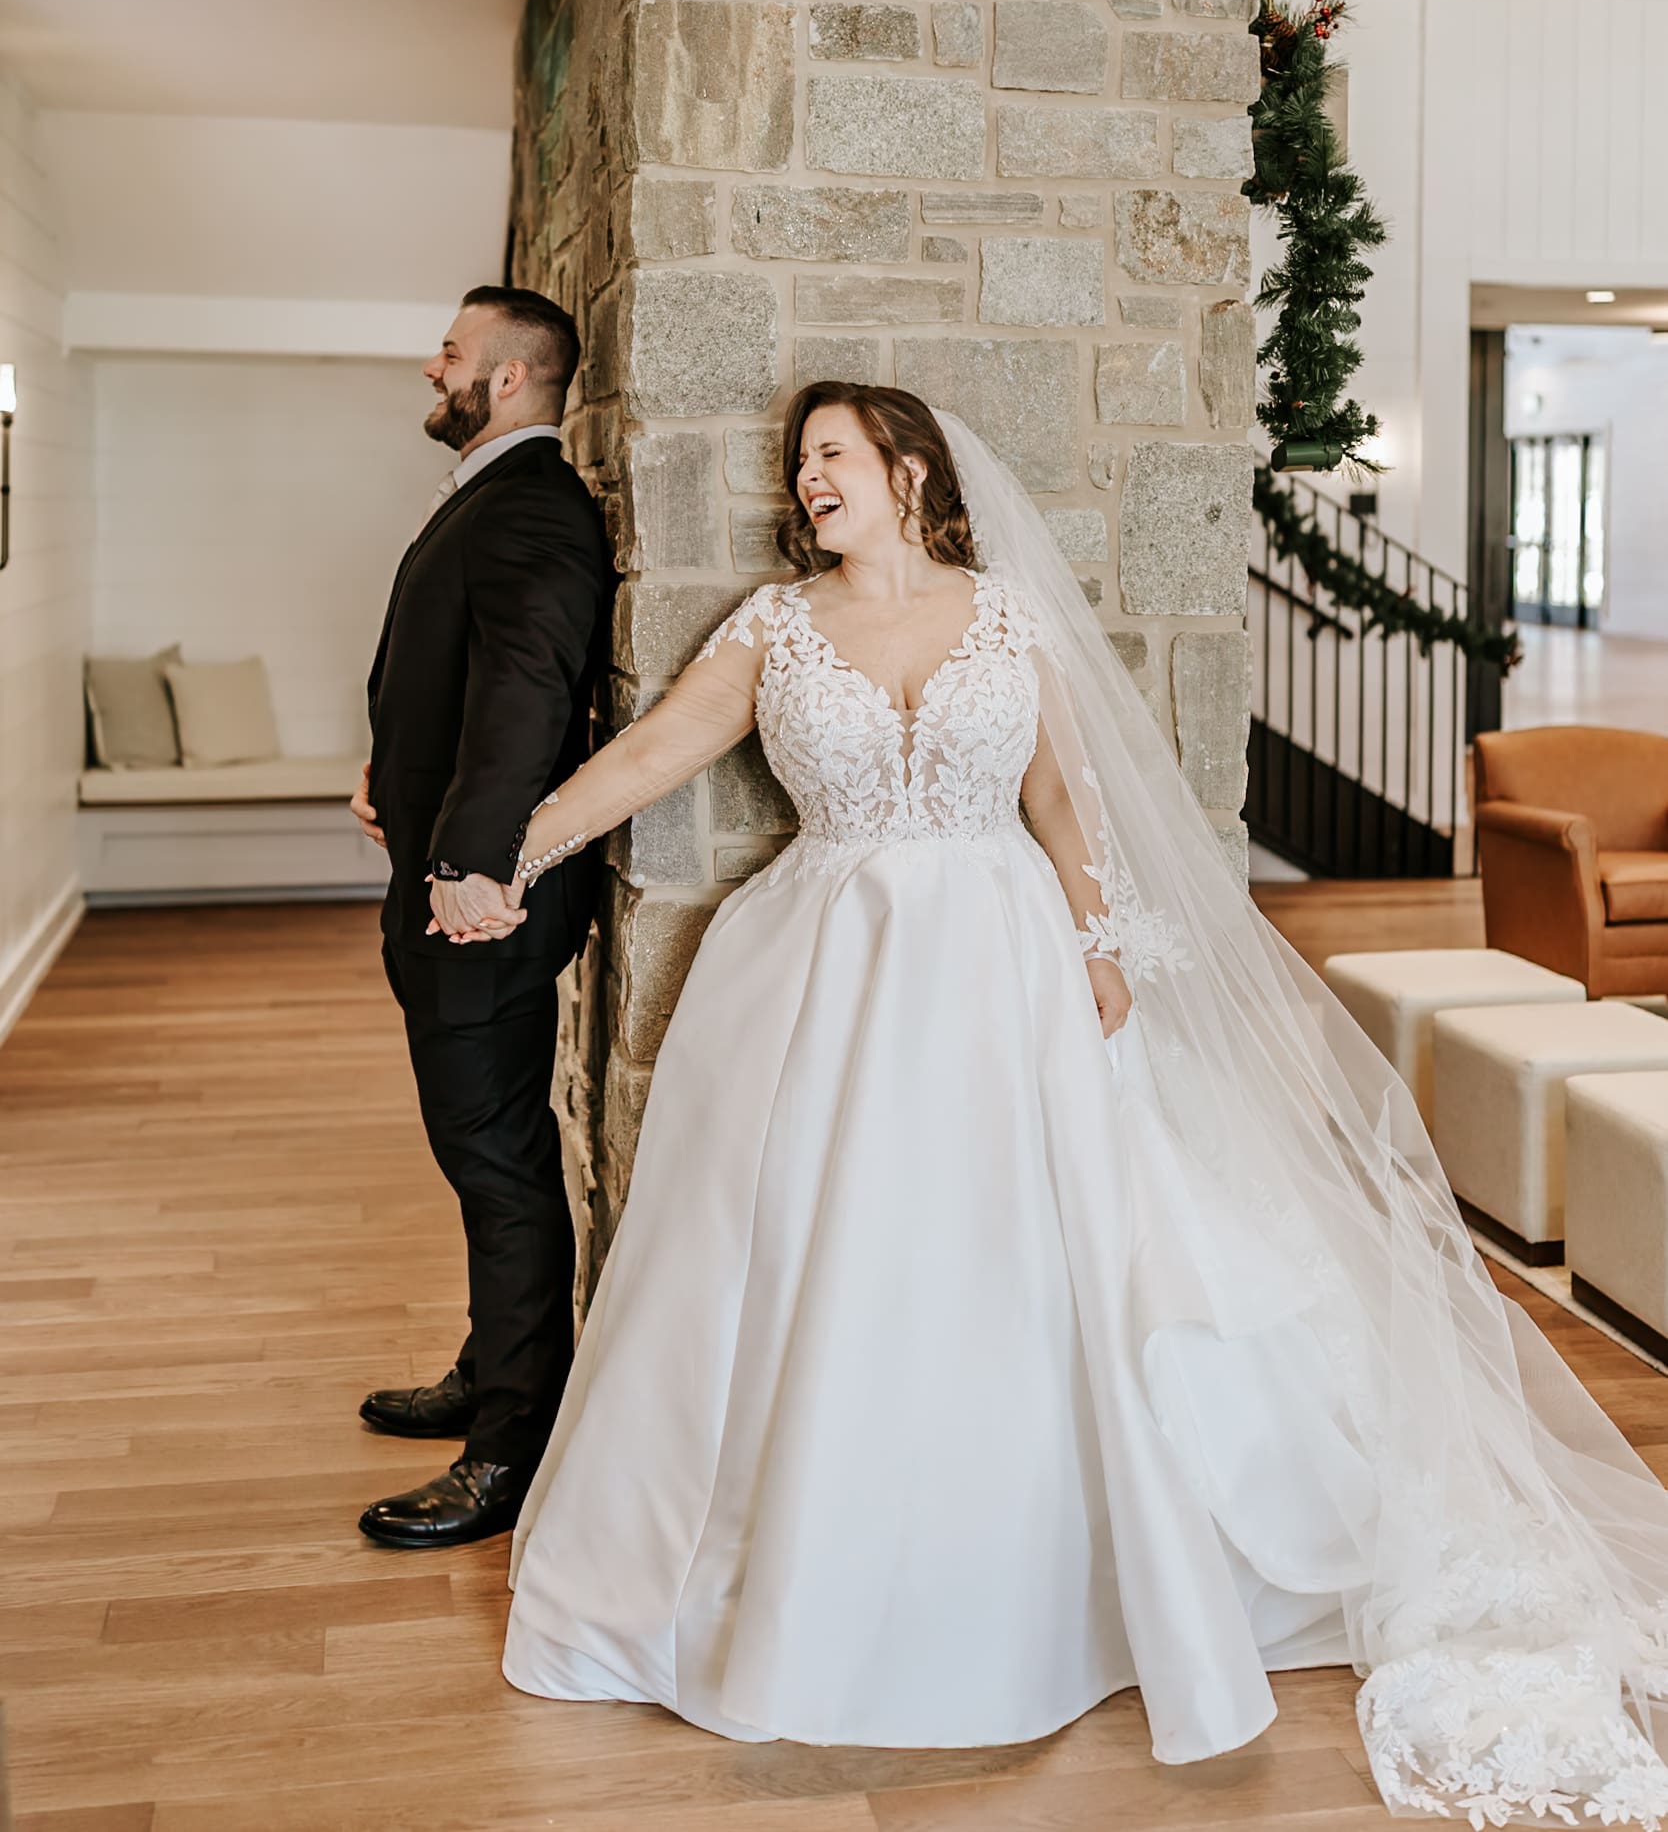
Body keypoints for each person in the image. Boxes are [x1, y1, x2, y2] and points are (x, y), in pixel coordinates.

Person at [449, 382, 1668, 1824]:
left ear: (908, 468)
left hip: (1003, 970)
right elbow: (653, 752)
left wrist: (1099, 943)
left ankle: (1062, 1580)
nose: (808, 479)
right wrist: (508, 850)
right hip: (825, 975)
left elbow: (1064, 805)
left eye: (831, 454)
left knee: (1033, 1261)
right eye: (800, 462)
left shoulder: (1008, 615)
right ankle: (809, 1573)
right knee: (815, 1260)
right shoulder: (774, 628)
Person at [349, 286, 613, 1550]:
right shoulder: (494, 495)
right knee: (480, 1150)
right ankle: (490, 1364)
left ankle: (509, 1443)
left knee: (499, 1158)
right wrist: (386, 768)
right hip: (447, 873)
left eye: (450, 353)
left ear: (508, 380)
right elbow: (454, 672)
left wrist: (468, 859)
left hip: (482, 904)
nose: (430, 365)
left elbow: (525, 689)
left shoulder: (536, 508)